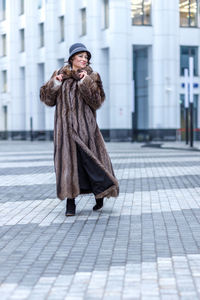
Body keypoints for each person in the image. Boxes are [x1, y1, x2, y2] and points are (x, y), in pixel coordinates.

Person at [40, 43, 119, 216]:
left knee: (91, 163)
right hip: (65, 131)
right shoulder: (59, 74)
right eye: (81, 56)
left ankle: (100, 195)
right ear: (72, 58)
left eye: (86, 57)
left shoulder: (92, 76)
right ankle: (70, 204)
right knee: (69, 165)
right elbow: (47, 99)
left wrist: (85, 82)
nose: (84, 60)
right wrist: (55, 83)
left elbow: (97, 102)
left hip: (86, 129)